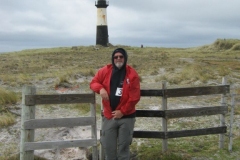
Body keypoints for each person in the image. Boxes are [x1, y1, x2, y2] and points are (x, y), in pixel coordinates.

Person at [90, 48, 141, 160]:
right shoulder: (105, 70)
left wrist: (122, 111)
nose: (118, 59)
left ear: (125, 58)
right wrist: (101, 89)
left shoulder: (132, 74)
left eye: (121, 56)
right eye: (116, 57)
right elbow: (93, 82)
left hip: (127, 117)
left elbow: (135, 97)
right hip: (109, 116)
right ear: (113, 59)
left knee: (123, 148)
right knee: (108, 147)